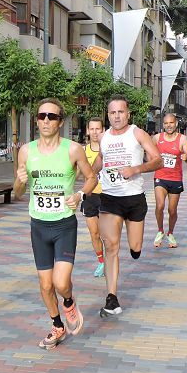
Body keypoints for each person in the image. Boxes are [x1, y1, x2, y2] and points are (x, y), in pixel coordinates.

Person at [14, 98, 98, 349]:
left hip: (63, 225)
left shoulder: (73, 149)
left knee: (61, 284)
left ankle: (69, 302)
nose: (46, 120)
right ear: (36, 120)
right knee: (45, 284)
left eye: (52, 116)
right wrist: (19, 180)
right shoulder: (26, 151)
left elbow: (92, 178)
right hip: (38, 225)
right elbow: (18, 192)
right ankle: (57, 325)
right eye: (41, 116)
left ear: (60, 121)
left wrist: (79, 195)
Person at [96, 96, 162, 316]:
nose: (116, 116)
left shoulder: (137, 133)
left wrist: (135, 169)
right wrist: (81, 170)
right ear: (108, 115)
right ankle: (111, 297)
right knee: (111, 246)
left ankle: (136, 249)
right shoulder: (103, 137)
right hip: (109, 197)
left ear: (128, 114)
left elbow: (157, 160)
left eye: (120, 112)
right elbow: (99, 162)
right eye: (112, 113)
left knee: (134, 247)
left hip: (134, 198)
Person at [152, 113, 187, 248]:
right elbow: (149, 151)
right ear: (163, 125)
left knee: (172, 210)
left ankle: (170, 233)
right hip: (160, 177)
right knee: (159, 206)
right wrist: (153, 160)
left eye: (171, 123)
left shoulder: (182, 139)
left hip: (175, 178)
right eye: (166, 123)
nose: (169, 126)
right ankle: (160, 231)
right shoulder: (157, 138)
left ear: (176, 124)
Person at [81, 117, 106, 277]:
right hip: (90, 196)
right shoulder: (83, 151)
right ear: (87, 131)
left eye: (98, 129)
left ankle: (110, 260)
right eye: (92, 129)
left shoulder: (110, 149)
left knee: (108, 235)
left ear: (103, 130)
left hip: (107, 196)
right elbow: (75, 173)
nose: (95, 132)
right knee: (94, 233)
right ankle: (101, 262)